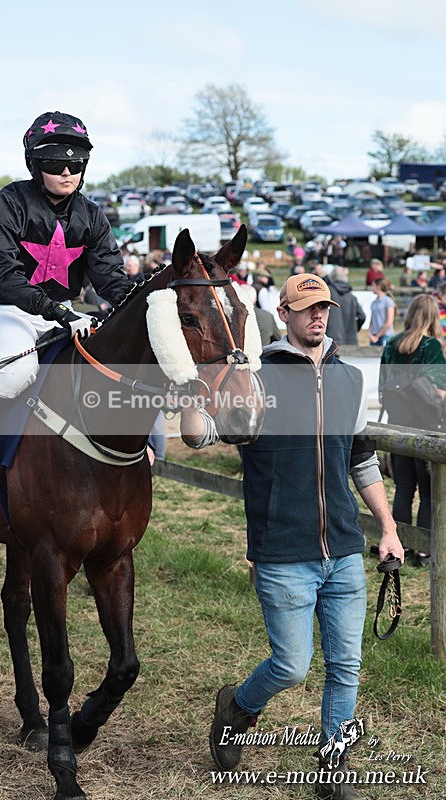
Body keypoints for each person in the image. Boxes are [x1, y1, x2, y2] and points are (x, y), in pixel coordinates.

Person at [199, 274, 404, 799]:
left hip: (343, 548)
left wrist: (387, 526)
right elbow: (204, 435)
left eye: (325, 307)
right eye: (307, 308)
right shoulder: (256, 377)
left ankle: (331, 771)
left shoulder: (348, 379)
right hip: (283, 547)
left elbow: (361, 459)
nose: (319, 316)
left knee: (346, 664)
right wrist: (193, 394)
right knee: (291, 665)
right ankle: (238, 706)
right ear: (284, 314)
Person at [0, 110, 132, 485]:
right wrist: (58, 311)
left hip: (61, 316)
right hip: (3, 313)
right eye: (54, 162)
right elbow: (4, 276)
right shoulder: (10, 202)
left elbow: (111, 279)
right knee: (18, 370)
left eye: (76, 163)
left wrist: (144, 297)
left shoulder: (92, 216)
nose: (67, 172)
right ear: (34, 163)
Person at [380, 294, 446, 531]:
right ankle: (423, 549)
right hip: (426, 426)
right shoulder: (432, 346)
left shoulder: (391, 345)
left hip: (397, 424)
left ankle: (401, 545)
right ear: (433, 316)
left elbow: (382, 388)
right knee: (428, 493)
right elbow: (439, 393)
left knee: (403, 489)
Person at [325, 266, 366, 345]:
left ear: (332, 278)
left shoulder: (328, 292)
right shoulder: (351, 296)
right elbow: (362, 316)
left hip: (331, 340)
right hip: (350, 339)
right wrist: (353, 329)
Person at [369, 278, 395, 346]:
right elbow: (372, 320)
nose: (371, 287)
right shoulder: (374, 302)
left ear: (379, 286)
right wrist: (370, 334)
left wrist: (377, 336)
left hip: (386, 335)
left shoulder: (388, 301)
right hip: (374, 336)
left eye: (373, 285)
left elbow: (389, 321)